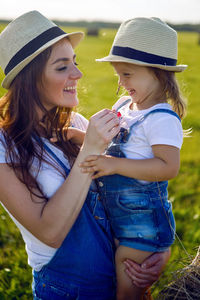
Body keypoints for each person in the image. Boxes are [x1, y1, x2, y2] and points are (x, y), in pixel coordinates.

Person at [0, 11, 171, 300]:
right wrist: (91, 149)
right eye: (62, 67)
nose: (77, 75)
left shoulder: (78, 125)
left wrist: (156, 248)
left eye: (75, 64)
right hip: (65, 290)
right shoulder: (5, 143)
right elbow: (49, 231)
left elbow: (133, 192)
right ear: (30, 78)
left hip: (120, 279)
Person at [78, 17, 188, 300]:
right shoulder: (126, 106)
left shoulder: (161, 119)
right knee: (130, 288)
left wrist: (113, 165)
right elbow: (111, 147)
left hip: (143, 226)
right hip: (121, 219)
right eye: (118, 74)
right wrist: (79, 138)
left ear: (158, 73)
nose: (120, 82)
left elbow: (168, 167)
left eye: (127, 74)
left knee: (126, 293)